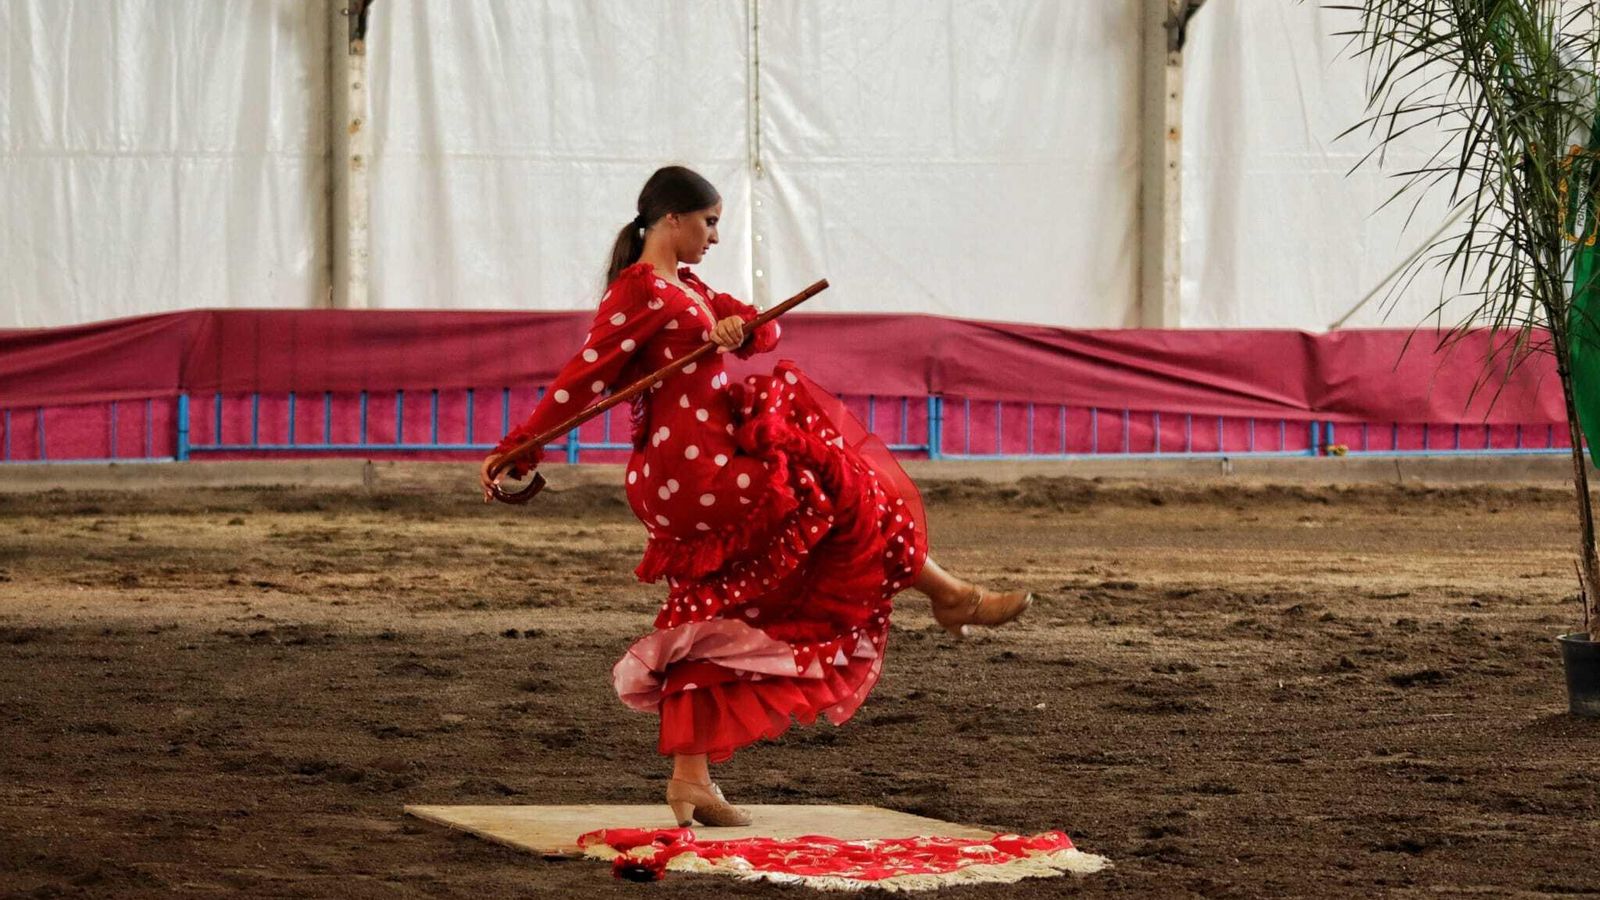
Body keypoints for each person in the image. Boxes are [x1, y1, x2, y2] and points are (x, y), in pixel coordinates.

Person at [480, 165, 1031, 828]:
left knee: (711, 609)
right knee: (840, 483)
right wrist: (523, 446)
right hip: (694, 471)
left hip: (701, 459)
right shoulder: (641, 290)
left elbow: (764, 328)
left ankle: (691, 779)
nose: (715, 235)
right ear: (672, 219)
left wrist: (738, 330)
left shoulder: (684, 286)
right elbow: (584, 375)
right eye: (709, 222)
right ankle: (946, 593)